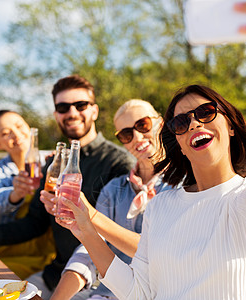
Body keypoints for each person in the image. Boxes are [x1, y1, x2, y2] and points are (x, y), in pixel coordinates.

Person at [57, 1, 246, 299]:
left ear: (230, 126)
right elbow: (140, 291)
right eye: (181, 122)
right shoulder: (160, 207)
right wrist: (84, 226)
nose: (195, 124)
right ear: (178, 144)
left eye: (206, 112)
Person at [0, 74, 135, 299]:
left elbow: (121, 237)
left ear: (94, 111)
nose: (72, 113)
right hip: (53, 274)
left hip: (97, 283)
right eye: (63, 107)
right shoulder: (53, 163)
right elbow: (34, 223)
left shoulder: (119, 162)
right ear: (56, 115)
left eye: (80, 105)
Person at [50, 100, 176, 300]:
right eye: (126, 134)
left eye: (143, 125)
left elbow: (155, 251)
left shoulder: (182, 185)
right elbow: (89, 248)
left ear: (160, 124)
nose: (136, 137)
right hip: (105, 293)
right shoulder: (113, 189)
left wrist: (91, 215)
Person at [0, 110, 55, 279]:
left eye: (19, 126)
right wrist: (15, 193)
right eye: (5, 133)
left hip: (51, 253)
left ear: (29, 127)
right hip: (9, 251)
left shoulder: (53, 161)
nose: (16, 134)